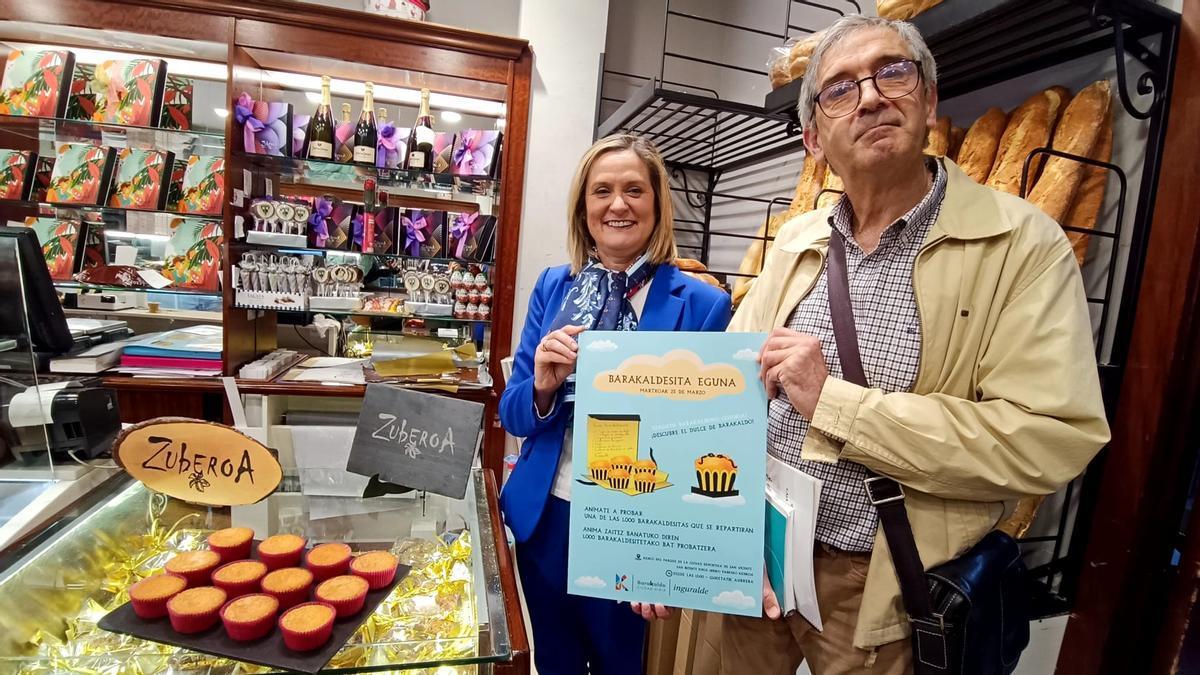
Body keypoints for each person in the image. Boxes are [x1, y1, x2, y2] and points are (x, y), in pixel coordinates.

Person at [711, 14, 1110, 674]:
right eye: (839, 88)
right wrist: (693, 534)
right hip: (761, 554)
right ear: (814, 137)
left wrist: (835, 405)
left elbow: (1049, 437)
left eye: (892, 72)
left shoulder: (1022, 245)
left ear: (927, 99)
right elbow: (725, 395)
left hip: (881, 590)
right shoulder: (796, 240)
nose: (870, 96)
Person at [499, 134, 732, 675]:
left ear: (657, 205)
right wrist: (542, 388)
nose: (618, 204)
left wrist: (669, 559)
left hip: (635, 526)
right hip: (546, 517)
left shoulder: (702, 304)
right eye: (602, 191)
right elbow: (513, 413)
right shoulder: (555, 287)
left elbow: (704, 441)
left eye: (634, 190)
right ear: (585, 206)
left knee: (618, 664)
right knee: (553, 662)